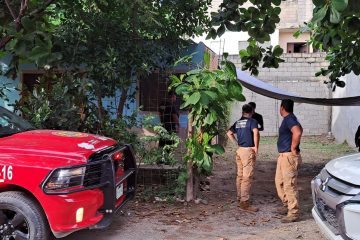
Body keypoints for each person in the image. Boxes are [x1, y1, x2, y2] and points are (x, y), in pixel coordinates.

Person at [227, 104, 260, 212]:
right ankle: (245, 203)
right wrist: (256, 147)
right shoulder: (252, 121)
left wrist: (236, 143)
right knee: (247, 177)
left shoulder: (238, 122)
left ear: (242, 112)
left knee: (240, 176)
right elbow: (255, 132)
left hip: (240, 150)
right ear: (252, 112)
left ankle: (239, 198)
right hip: (247, 151)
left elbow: (229, 133)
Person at [275, 99, 303, 223]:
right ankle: (287, 204)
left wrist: (293, 148)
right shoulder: (289, 119)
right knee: (279, 182)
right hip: (283, 156)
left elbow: (297, 132)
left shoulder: (290, 119)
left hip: (288, 156)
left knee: (289, 185)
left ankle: (294, 212)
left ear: (282, 108)